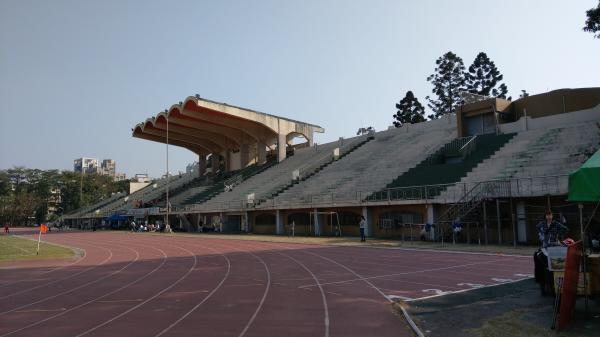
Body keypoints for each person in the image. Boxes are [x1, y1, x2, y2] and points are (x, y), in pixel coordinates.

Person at [533, 209, 569, 295]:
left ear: (552, 216)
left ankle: (554, 287)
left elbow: (566, 229)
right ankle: (544, 287)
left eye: (550, 215)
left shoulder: (556, 223)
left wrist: (559, 237)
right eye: (547, 215)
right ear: (545, 216)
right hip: (544, 248)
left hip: (554, 248)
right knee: (542, 267)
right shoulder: (542, 224)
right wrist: (541, 235)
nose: (549, 217)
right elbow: (537, 228)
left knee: (554, 267)